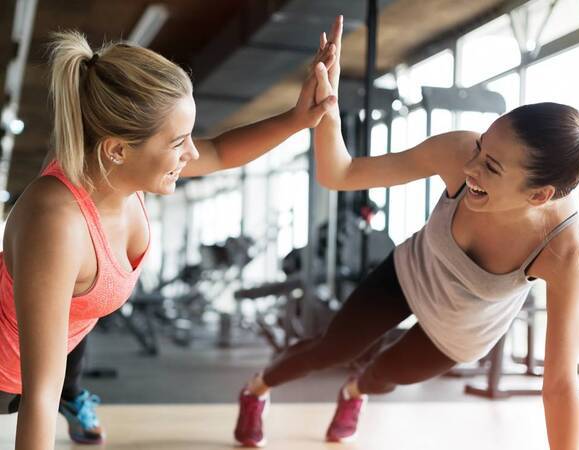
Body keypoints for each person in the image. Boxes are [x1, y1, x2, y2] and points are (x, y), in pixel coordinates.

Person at [235, 16, 579, 450]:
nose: (470, 167)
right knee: (332, 348)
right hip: (409, 274)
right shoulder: (459, 150)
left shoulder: (561, 252)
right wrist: (326, 112)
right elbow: (341, 173)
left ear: (539, 196)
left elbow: (559, 385)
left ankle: (353, 393)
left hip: (462, 330)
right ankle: (255, 390)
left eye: (491, 167)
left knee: (381, 376)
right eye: (482, 147)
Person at [0, 28, 337, 449]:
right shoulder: (57, 224)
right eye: (178, 143)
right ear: (117, 149)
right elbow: (42, 395)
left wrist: (299, 118)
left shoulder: (121, 173)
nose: (191, 154)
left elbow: (217, 153)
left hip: (32, 368)